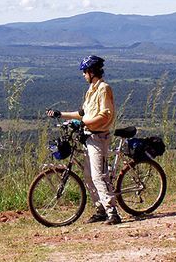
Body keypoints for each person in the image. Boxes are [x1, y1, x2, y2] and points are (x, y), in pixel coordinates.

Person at [46, 55, 121, 225]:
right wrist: (61, 114)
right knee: (88, 176)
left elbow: (105, 115)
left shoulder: (104, 88)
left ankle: (113, 213)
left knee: (98, 176)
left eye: (85, 72)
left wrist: (85, 122)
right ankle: (100, 210)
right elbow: (82, 114)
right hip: (88, 137)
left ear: (92, 72)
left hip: (99, 137)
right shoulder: (91, 90)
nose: (83, 75)